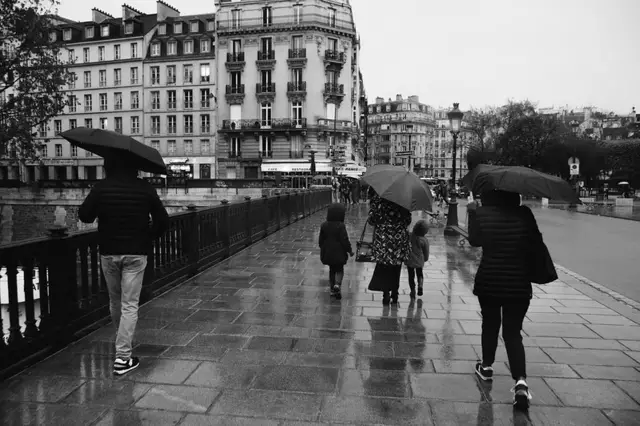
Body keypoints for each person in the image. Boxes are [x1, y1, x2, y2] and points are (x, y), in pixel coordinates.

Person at [78, 157, 169, 375]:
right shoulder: (145, 188)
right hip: (136, 252)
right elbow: (163, 221)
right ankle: (122, 357)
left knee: (115, 301)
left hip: (109, 251)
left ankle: (122, 351)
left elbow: (85, 216)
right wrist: (148, 236)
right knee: (129, 304)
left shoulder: (101, 188)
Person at [467, 189, 541, 410]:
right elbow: (535, 242)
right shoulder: (525, 214)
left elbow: (474, 241)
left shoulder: (482, 213)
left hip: (489, 280)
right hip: (518, 282)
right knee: (512, 332)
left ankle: (487, 367)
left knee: (490, 324)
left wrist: (472, 213)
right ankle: (521, 383)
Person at [367, 193, 411, 305]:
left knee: (384, 266)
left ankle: (386, 294)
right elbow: (408, 221)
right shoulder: (403, 199)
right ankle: (395, 294)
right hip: (398, 240)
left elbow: (371, 221)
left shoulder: (378, 199)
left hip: (383, 240)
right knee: (396, 267)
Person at [319, 203, 353, 300]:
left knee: (332, 270)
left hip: (328, 253)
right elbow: (344, 240)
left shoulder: (324, 225)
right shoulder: (341, 226)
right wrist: (349, 250)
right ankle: (337, 285)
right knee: (339, 269)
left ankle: (332, 289)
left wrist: (323, 248)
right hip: (339, 253)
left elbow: (321, 240)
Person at [405, 220, 430, 299]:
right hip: (419, 260)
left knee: (411, 275)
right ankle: (420, 286)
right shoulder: (424, 240)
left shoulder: (409, 236)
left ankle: (412, 290)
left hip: (410, 260)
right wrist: (425, 259)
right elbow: (426, 252)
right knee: (420, 274)